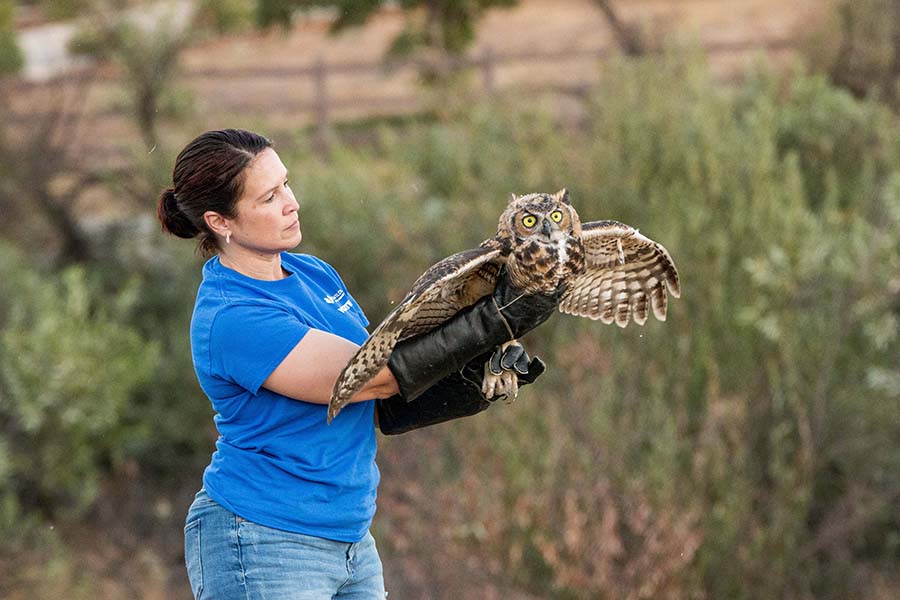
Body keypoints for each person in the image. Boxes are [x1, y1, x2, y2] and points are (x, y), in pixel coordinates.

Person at [157, 129, 560, 599]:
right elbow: (367, 378)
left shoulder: (312, 273)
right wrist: (492, 321)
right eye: (269, 197)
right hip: (263, 537)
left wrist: (471, 378)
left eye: (286, 184)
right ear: (219, 220)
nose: (292, 203)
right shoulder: (233, 316)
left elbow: (384, 402)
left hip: (349, 538)